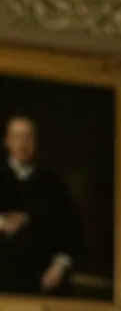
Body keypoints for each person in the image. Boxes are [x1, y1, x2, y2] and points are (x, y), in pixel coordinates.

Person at [0, 115, 82, 295]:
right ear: (7, 142)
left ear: (35, 142)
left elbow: (71, 233)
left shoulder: (54, 184)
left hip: (41, 281)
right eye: (17, 137)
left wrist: (59, 267)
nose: (22, 144)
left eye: (28, 137)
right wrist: (4, 223)